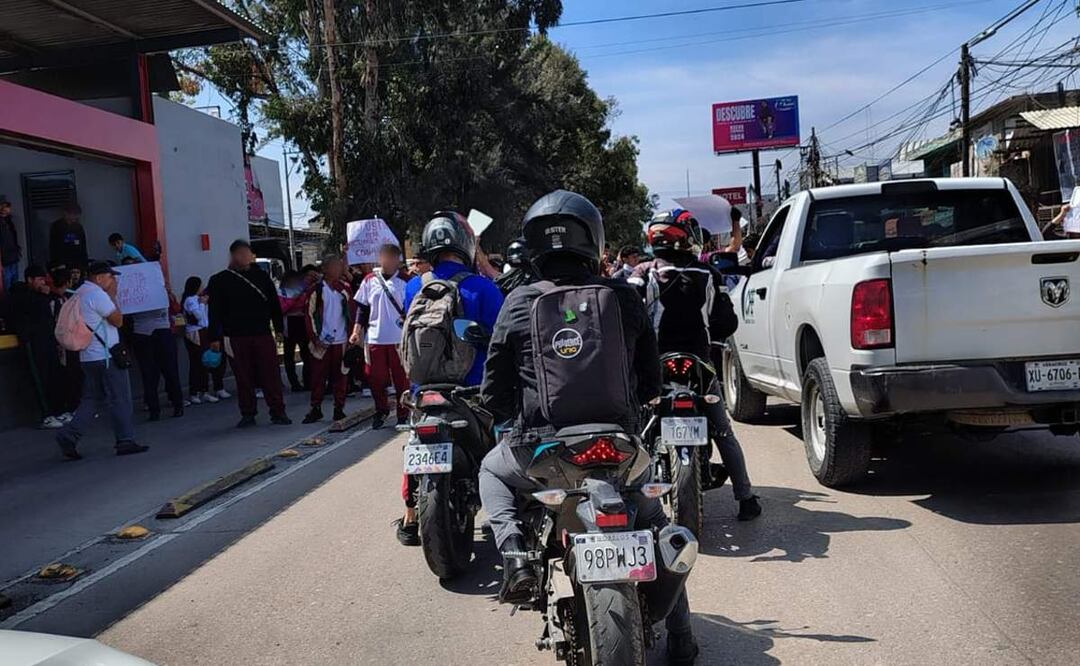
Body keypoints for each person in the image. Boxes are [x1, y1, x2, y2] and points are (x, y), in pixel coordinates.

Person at [477, 190, 699, 663]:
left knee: (491, 471)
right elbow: (650, 379)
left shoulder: (518, 302)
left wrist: (508, 414)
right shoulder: (623, 296)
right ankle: (682, 637)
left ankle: (514, 554)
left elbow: (493, 390)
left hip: (543, 453)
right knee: (654, 522)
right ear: (593, 241)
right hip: (618, 447)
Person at [629, 209, 761, 521]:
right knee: (723, 432)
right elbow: (726, 323)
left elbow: (627, 316)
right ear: (686, 237)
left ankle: (628, 502)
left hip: (654, 366)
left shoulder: (642, 273)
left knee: (634, 431)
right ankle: (746, 498)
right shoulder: (709, 274)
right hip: (699, 364)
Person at [396, 211, 504, 545]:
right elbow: (503, 338)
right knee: (506, 443)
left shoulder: (414, 286)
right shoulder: (483, 288)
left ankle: (410, 517)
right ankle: (509, 514)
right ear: (465, 245)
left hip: (424, 389)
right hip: (473, 391)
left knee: (415, 444)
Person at [56, 261, 147, 460]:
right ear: (99, 278)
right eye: (110, 277)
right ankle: (125, 440)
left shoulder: (79, 293)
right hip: (106, 356)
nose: (113, 280)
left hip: (87, 356)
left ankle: (69, 434)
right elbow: (118, 321)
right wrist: (112, 295)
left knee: (92, 399)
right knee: (120, 398)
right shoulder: (97, 295)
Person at [207, 239, 290, 427]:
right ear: (234, 255)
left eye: (249, 254)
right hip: (235, 336)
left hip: (262, 333)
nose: (247, 257)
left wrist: (278, 328)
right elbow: (214, 311)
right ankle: (248, 413)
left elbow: (274, 304)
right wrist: (214, 337)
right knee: (243, 376)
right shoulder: (219, 280)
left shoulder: (261, 276)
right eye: (243, 254)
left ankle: (278, 411)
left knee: (270, 374)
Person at [351, 243, 409, 429]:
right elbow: (362, 309)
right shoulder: (369, 280)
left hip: (399, 339)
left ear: (398, 260)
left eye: (392, 258)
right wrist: (356, 331)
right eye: (385, 257)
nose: (388, 261)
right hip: (375, 338)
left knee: (401, 379)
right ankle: (381, 410)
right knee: (375, 378)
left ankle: (403, 413)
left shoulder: (406, 281)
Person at [301, 255, 353, 423]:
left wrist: (352, 338)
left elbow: (352, 314)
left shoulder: (344, 289)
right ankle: (315, 408)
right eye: (334, 266)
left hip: (341, 340)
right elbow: (309, 315)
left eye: (339, 266)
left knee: (341, 376)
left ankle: (339, 408)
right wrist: (315, 338)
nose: (338, 269)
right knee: (318, 376)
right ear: (324, 269)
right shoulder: (316, 290)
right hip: (322, 342)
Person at [11, 265, 64, 428]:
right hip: (33, 343)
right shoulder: (21, 296)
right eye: (39, 279)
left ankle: (57, 410)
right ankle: (46, 415)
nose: (43, 283)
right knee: (40, 377)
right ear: (30, 280)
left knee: (53, 376)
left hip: (48, 340)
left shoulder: (43, 296)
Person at [130, 300, 187, 420]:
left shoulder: (161, 294)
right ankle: (162, 407)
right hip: (149, 333)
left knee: (161, 373)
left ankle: (171, 406)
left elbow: (177, 310)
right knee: (156, 374)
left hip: (149, 332)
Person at [181, 276, 225, 405]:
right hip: (195, 333)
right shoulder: (190, 300)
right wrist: (202, 304)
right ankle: (195, 392)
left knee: (204, 362)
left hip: (204, 331)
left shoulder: (198, 298)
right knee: (197, 363)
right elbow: (199, 316)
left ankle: (204, 391)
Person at [48, 266, 81, 419]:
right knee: (71, 376)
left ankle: (71, 406)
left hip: (61, 343)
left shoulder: (56, 299)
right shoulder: (64, 300)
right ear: (68, 282)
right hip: (66, 343)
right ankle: (71, 406)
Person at [279, 270, 312, 392]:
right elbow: (282, 309)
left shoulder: (303, 290)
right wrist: (295, 299)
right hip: (289, 323)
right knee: (289, 355)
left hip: (302, 322)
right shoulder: (281, 292)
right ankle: (294, 383)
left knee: (306, 354)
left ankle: (307, 381)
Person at [49, 202, 88, 271]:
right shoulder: (57, 226)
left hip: (77, 262)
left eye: (77, 214)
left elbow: (83, 246)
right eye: (73, 214)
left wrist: (84, 264)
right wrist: (57, 263)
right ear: (66, 213)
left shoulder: (78, 227)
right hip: (62, 262)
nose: (75, 217)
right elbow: (53, 247)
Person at [1, 195, 21, 292]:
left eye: (6, 206)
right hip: (4, 261)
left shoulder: (9, 221)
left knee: (15, 286)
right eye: (2, 207)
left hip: (13, 257)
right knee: (7, 288)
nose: (4, 209)